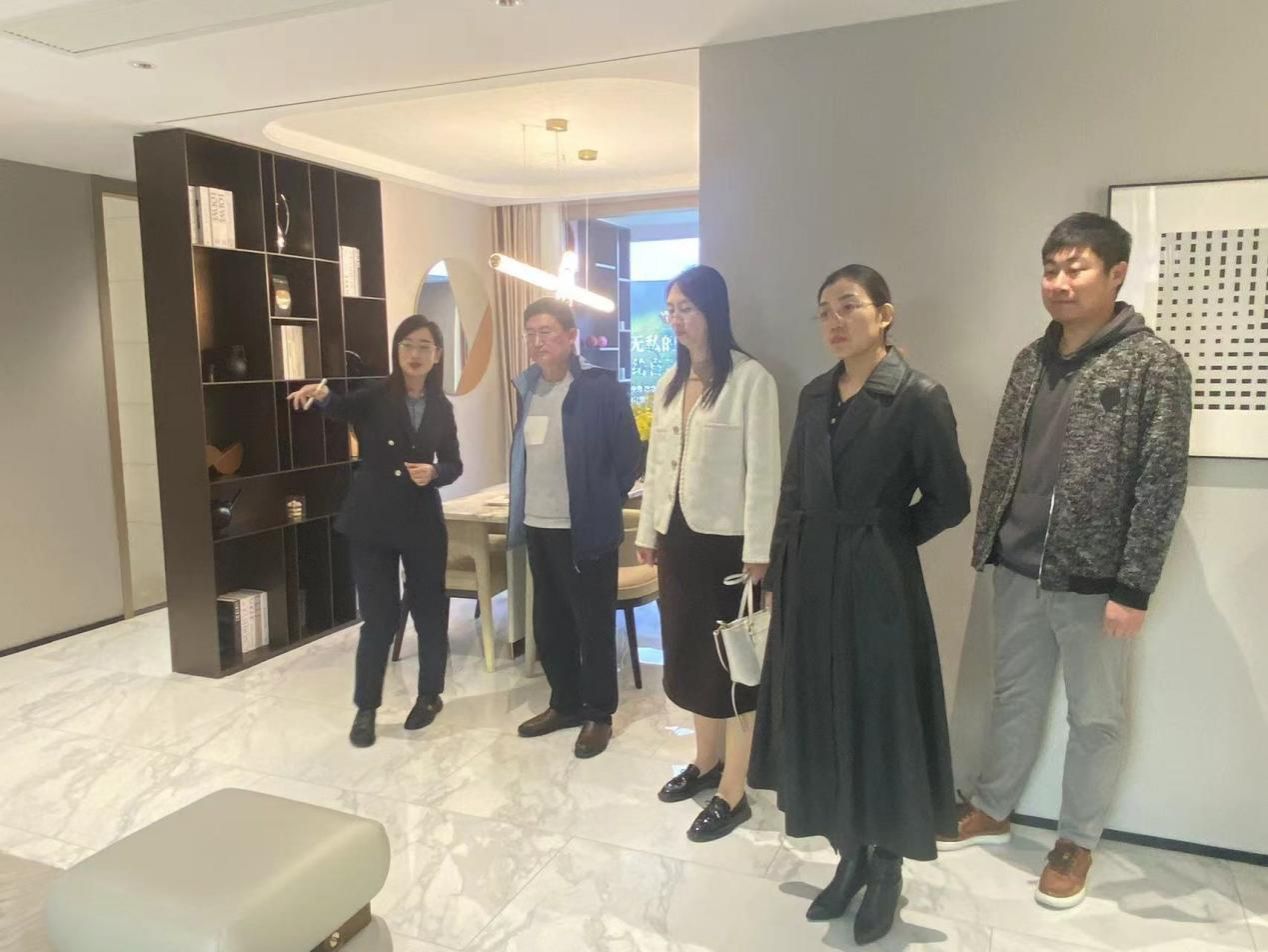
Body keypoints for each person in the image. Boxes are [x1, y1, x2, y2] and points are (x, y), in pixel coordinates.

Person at [940, 213, 1192, 909]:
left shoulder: (1153, 365)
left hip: (1096, 579)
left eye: (1075, 268)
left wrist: (1134, 587)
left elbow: (1162, 482)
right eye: (1050, 269)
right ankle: (992, 807)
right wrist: (990, 540)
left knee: (1097, 715)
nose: (1058, 282)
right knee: (1013, 695)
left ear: (1116, 274)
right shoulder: (1031, 359)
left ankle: (1077, 840)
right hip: (1019, 564)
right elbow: (1006, 457)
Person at [750, 265, 971, 946]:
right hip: (809, 576)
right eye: (824, 311)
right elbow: (793, 490)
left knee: (880, 718)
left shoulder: (917, 396)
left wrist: (886, 537)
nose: (835, 321)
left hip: (878, 585)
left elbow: (952, 499)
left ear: (885, 314)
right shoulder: (815, 394)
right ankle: (848, 854)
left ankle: (887, 868)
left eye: (849, 306)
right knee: (822, 714)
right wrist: (778, 569)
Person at [635, 265, 780, 842]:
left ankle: (734, 791)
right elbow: (656, 465)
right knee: (692, 658)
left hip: (728, 548)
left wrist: (759, 550)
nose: (677, 320)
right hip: (678, 543)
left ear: (713, 310)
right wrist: (649, 531)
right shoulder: (669, 382)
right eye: (671, 309)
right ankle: (706, 760)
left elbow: (764, 473)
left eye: (687, 308)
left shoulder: (750, 380)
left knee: (734, 667)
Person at [289, 315, 462, 748]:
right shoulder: (374, 396)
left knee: (430, 612)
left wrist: (436, 472)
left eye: (424, 346)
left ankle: (430, 695)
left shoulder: (442, 407)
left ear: (437, 355)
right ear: (397, 350)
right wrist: (321, 396)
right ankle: (366, 707)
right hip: (372, 522)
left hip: (422, 523)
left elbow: (454, 463)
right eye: (407, 345)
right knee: (378, 618)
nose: (415, 354)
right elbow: (340, 406)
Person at [508, 297, 641, 759]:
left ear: (570, 337)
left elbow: (629, 457)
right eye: (530, 333)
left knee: (593, 625)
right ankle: (564, 703)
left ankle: (598, 714)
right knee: (550, 624)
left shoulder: (599, 388)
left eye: (545, 332)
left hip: (585, 529)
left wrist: (602, 500)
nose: (537, 341)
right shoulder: (528, 388)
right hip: (538, 524)